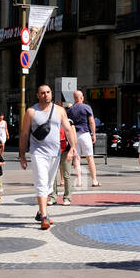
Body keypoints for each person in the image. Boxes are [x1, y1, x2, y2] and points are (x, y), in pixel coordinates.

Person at [20, 84, 76, 230]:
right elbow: (25, 133)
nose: (46, 95)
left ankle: (40, 211)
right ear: (38, 95)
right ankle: (44, 217)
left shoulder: (59, 110)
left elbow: (68, 130)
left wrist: (73, 148)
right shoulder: (31, 112)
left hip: (55, 153)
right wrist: (22, 155)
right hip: (38, 152)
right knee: (41, 182)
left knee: (49, 185)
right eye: (42, 93)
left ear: (51, 94)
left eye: (48, 92)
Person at [67, 91, 100, 188]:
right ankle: (94, 180)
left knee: (76, 158)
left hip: (74, 135)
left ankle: (79, 181)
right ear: (82, 97)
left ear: (74, 98)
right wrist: (94, 134)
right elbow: (91, 121)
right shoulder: (87, 107)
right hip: (85, 134)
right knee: (90, 158)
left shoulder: (70, 109)